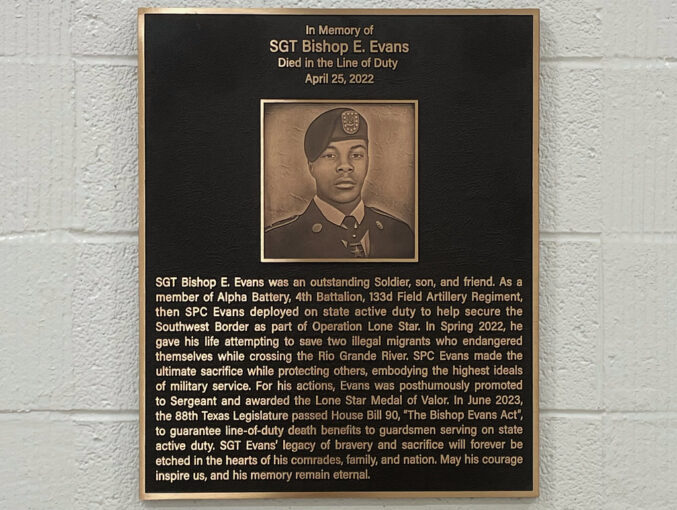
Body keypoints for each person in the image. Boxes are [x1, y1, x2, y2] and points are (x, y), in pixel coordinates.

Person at [264, 107, 414, 259]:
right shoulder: (278, 242)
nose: (345, 166)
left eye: (356, 155)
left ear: (368, 160)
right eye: (330, 155)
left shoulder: (400, 233)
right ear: (311, 166)